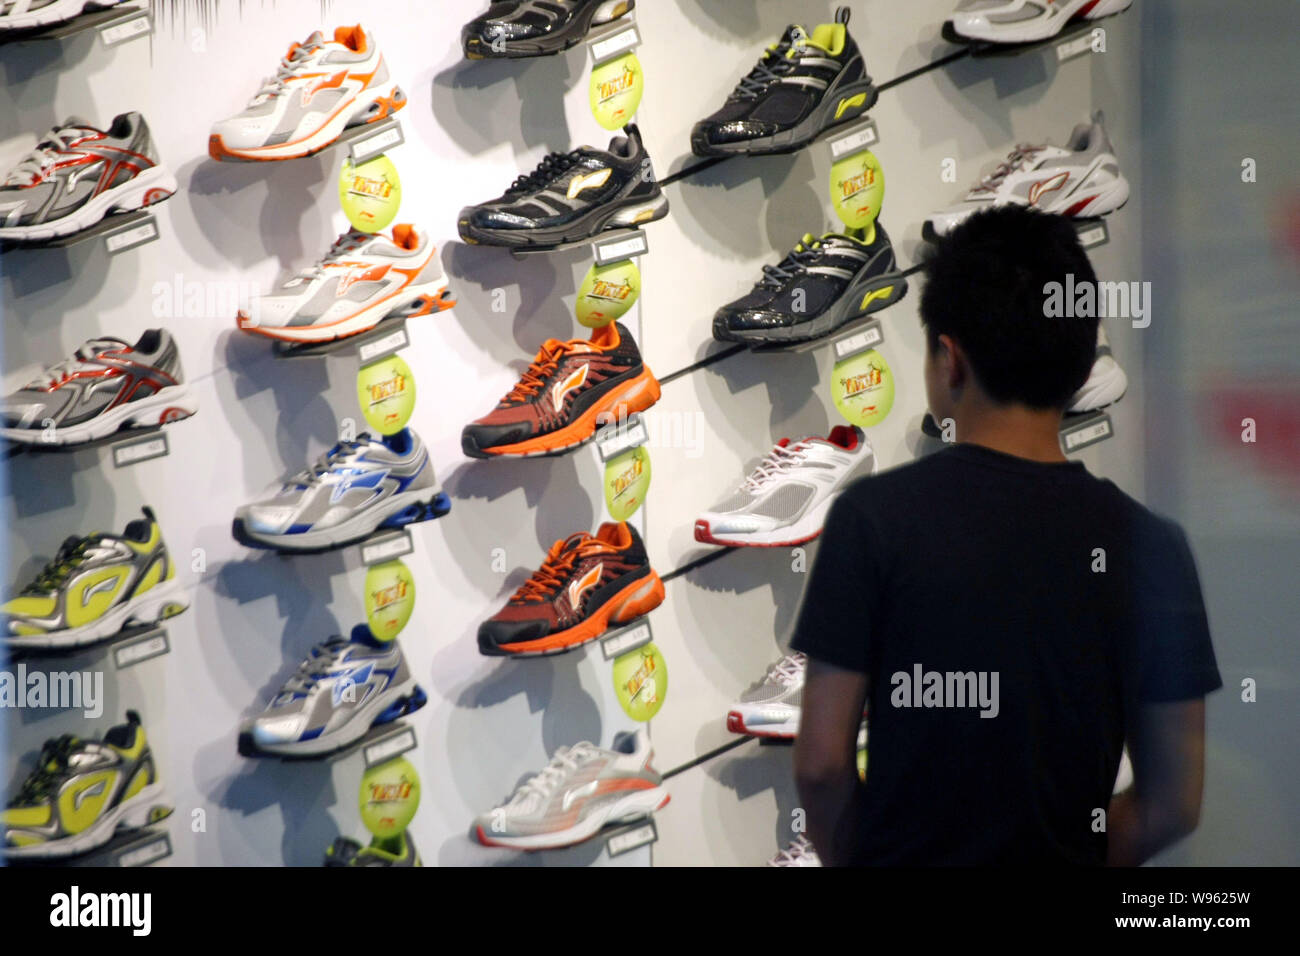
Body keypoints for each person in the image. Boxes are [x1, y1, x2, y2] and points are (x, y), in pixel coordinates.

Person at [791, 206, 1221, 866]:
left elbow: (821, 765)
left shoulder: (872, 520)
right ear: (1082, 368)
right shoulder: (1151, 546)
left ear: (949, 361)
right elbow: (1175, 802)